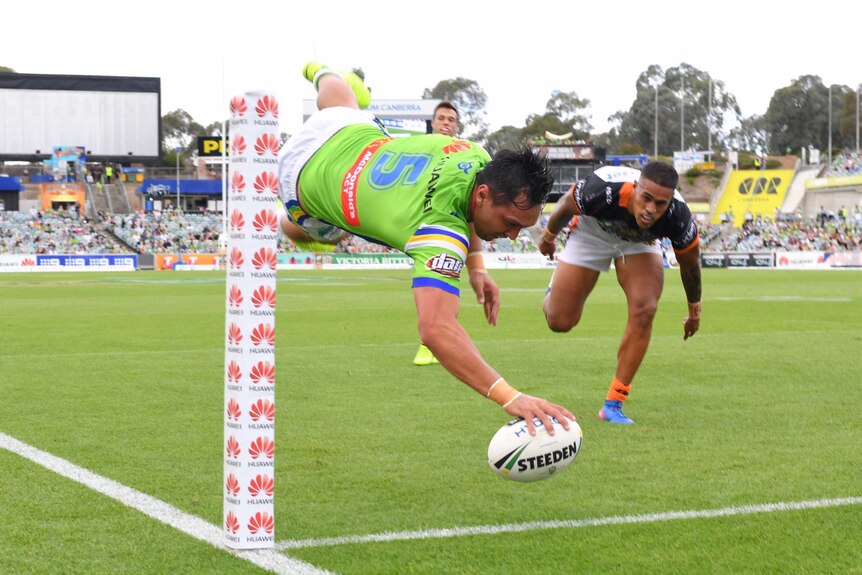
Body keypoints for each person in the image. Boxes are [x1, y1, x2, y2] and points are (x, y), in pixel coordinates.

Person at [277, 62, 573, 434]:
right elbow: (435, 329)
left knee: (339, 93)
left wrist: (477, 266)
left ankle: (318, 70)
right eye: (512, 223)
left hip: (345, 130)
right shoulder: (440, 234)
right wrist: (510, 396)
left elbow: (467, 208)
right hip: (300, 179)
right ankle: (303, 225)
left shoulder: (475, 154)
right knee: (311, 232)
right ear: (484, 194)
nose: (513, 236)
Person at [538, 162, 702, 424]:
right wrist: (548, 236)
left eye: (660, 204)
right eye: (646, 198)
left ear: (669, 202)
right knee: (559, 321)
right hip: (592, 230)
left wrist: (694, 312)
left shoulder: (678, 215)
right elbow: (568, 202)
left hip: (639, 243)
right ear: (636, 188)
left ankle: (613, 404)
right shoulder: (602, 190)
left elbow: (690, 265)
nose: (650, 209)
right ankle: (554, 287)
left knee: (645, 309)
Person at [412, 100, 484, 367]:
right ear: (433, 122)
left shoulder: (465, 156)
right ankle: (433, 340)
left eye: (451, 120)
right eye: (441, 118)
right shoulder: (419, 151)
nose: (445, 122)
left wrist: (478, 264)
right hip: (413, 221)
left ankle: (429, 343)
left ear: (456, 126)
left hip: (448, 228)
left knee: (442, 278)